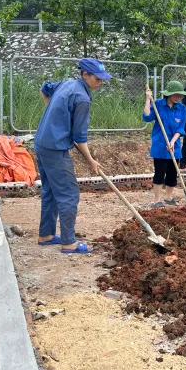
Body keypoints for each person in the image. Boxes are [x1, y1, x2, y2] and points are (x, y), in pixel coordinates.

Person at [34, 58, 112, 254]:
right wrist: (91, 161)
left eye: (102, 79)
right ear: (85, 75)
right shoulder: (82, 98)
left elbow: (45, 88)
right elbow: (79, 136)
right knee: (69, 193)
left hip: (42, 144)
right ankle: (69, 242)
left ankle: (46, 235)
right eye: (97, 78)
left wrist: (54, 115)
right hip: (55, 149)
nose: (100, 83)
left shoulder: (68, 84)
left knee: (51, 191)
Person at [143, 81, 186, 208]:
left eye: (180, 95)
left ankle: (168, 197)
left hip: (175, 147)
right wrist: (147, 99)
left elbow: (180, 128)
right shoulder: (157, 104)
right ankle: (157, 200)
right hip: (160, 145)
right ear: (169, 94)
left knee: (172, 173)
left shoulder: (182, 109)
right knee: (159, 173)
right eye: (176, 94)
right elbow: (146, 117)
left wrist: (173, 141)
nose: (178, 97)